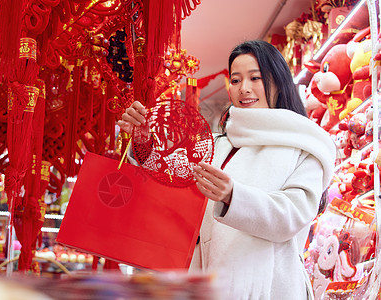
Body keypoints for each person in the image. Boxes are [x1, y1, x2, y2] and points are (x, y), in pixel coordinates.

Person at [118, 40, 336, 300]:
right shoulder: (217, 143)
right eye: (235, 80)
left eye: (255, 78)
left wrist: (233, 195)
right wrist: (143, 140)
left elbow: (292, 215)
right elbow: (170, 181)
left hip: (270, 289)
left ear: (278, 82)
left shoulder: (305, 147)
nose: (244, 88)